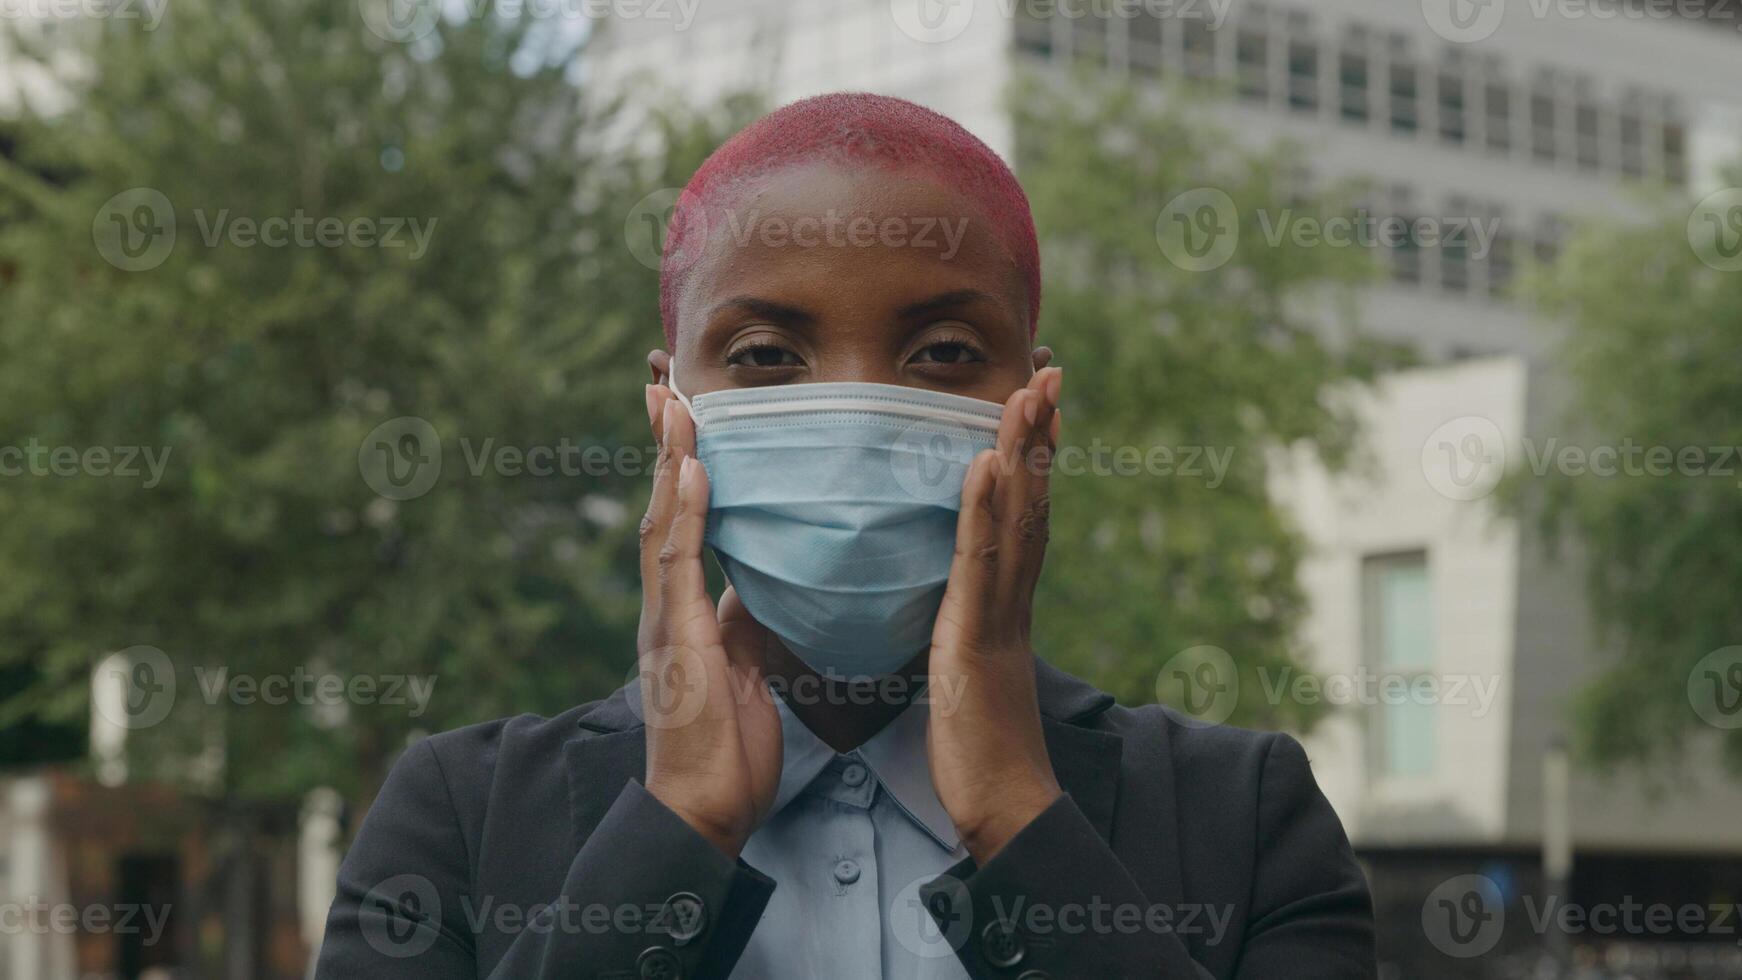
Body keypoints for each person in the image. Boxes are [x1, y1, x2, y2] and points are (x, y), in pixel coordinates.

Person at [315, 92, 1374, 980]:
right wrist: (671, 832)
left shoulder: (1242, 816)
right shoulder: (459, 818)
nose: (859, 411)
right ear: (666, 406)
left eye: (944, 349)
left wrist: (1020, 815)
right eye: (767, 354)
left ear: (1035, 409)